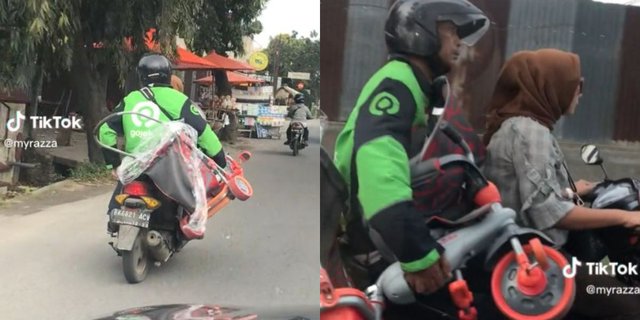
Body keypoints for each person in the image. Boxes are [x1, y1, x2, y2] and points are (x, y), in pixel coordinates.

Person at [333, 0, 489, 301]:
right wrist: (417, 252)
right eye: (451, 31)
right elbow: (377, 166)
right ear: (422, 31)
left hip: (379, 237)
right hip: (373, 245)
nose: (459, 43)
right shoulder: (397, 83)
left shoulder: (414, 85)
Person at [483, 48, 640, 319]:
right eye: (576, 85)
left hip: (529, 246)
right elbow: (549, 214)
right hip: (539, 258)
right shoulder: (530, 132)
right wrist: (624, 216)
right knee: (628, 303)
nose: (580, 92)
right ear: (551, 86)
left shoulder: (523, 126)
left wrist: (572, 190)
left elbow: (524, 195)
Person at [99, 54, 227, 235]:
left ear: (141, 76)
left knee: (121, 189)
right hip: (169, 169)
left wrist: (114, 164)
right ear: (168, 75)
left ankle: (114, 218)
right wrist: (220, 162)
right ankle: (182, 227)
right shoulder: (179, 100)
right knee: (190, 197)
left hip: (136, 166)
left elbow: (105, 131)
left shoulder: (130, 99)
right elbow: (204, 134)